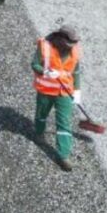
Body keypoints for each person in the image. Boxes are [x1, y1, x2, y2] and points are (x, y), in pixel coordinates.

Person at [31, 25, 83, 171]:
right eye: (68, 44)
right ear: (59, 38)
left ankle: (63, 155)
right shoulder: (44, 46)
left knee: (64, 122)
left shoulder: (74, 50)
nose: (71, 47)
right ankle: (39, 133)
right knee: (41, 115)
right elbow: (34, 65)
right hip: (46, 90)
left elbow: (76, 71)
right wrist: (46, 72)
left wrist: (77, 92)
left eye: (73, 44)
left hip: (65, 91)